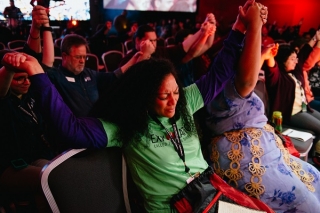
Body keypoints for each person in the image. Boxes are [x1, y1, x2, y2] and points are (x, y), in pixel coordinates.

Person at [1, 1, 278, 212]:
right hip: (175, 207)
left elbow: (218, 74)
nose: (173, 102)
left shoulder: (184, 101)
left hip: (209, 192)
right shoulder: (127, 125)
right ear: (144, 98)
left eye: (175, 93)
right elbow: (70, 130)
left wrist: (240, 29)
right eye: (163, 97)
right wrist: (38, 73)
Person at [24, 6, 149, 118]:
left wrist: (135, 59)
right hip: (76, 135)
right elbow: (46, 62)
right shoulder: (56, 76)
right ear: (64, 56)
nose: (82, 61)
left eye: (84, 57)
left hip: (99, 125)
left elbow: (115, 75)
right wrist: (44, 27)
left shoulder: (90, 74)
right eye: (78, 57)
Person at [0, 49, 53, 212]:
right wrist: (9, 68)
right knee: (50, 179)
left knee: (60, 174)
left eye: (28, 78)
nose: (26, 82)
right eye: (19, 79)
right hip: (9, 165)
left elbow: (45, 65)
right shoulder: (5, 102)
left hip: (35, 158)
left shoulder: (30, 97)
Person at [263, 31, 320, 166]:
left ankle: (315, 155)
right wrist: (270, 56)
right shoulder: (278, 77)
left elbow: (304, 53)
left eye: (296, 59)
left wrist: (315, 39)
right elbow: (271, 69)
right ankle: (316, 158)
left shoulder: (295, 72)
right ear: (283, 61)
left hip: (304, 110)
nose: (296, 61)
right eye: (292, 59)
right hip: (291, 113)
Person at [118, 13, 216, 70]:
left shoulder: (159, 51)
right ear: (138, 40)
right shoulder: (128, 60)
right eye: (150, 41)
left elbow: (181, 48)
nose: (153, 44)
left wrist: (204, 30)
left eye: (155, 41)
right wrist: (202, 31)